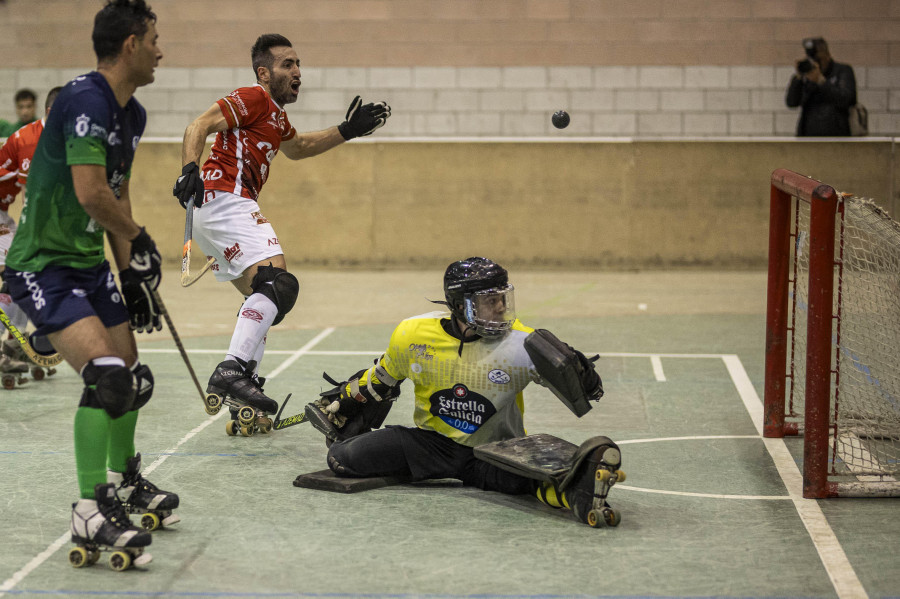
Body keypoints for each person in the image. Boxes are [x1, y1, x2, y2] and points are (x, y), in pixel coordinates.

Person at [3, 0, 178, 570]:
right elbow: (89, 193)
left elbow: (118, 192)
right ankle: (89, 507)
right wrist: (143, 239)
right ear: (130, 43)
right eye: (154, 38)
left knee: (130, 375)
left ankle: (125, 482)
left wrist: (130, 273)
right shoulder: (84, 99)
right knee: (105, 375)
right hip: (42, 264)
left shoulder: (134, 114)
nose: (160, 49)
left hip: (88, 263)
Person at [302, 257, 624, 527]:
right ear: (460, 305)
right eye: (489, 301)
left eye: (502, 299)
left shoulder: (522, 344)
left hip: (494, 449)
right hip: (430, 445)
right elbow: (382, 377)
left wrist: (584, 377)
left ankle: (578, 493)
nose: (500, 308)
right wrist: (345, 400)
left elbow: (583, 393)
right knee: (342, 458)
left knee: (529, 481)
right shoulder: (413, 333)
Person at [173, 33, 391, 424]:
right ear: (264, 72)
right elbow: (198, 125)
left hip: (218, 209)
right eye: (287, 65)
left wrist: (347, 130)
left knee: (266, 300)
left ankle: (247, 387)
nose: (297, 72)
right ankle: (233, 370)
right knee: (279, 285)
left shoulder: (275, 115)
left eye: (299, 64)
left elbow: (300, 147)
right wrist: (189, 168)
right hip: (226, 198)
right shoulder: (254, 97)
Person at [0, 87, 63, 377]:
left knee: (25, 279)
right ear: (53, 112)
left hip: (3, 212)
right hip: (6, 215)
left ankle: (14, 344)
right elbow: (31, 203)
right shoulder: (30, 139)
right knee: (15, 277)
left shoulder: (58, 136)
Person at [785, 37, 857, 136]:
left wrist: (821, 81)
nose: (816, 64)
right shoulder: (807, 75)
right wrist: (798, 79)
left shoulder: (842, 71)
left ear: (827, 55)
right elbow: (791, 102)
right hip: (807, 137)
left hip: (837, 136)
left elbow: (847, 99)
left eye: (818, 60)